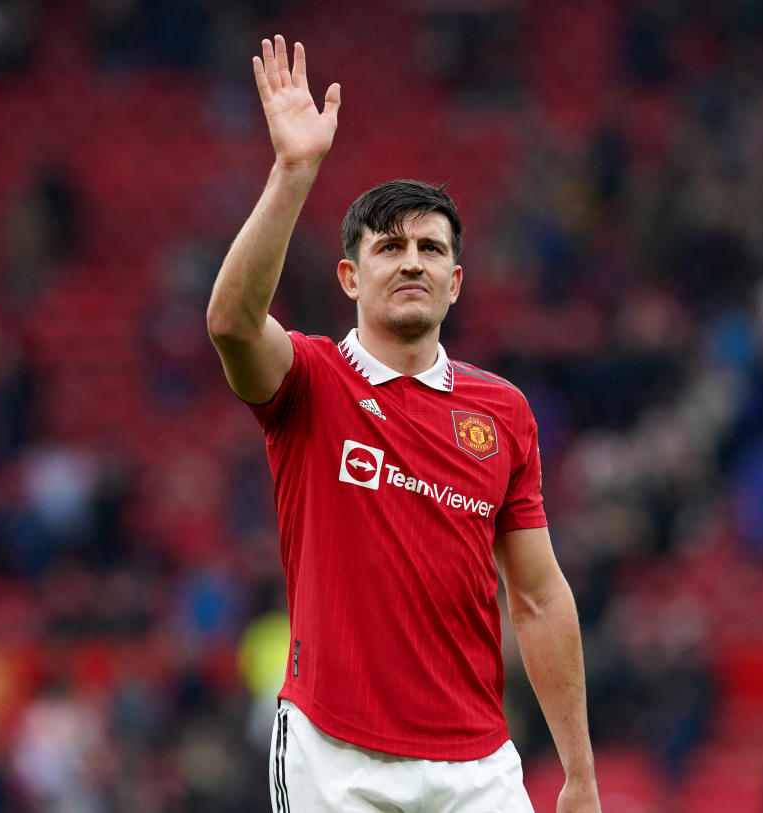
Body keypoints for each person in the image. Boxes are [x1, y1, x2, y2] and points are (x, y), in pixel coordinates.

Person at [206, 35, 600, 812]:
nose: (411, 261)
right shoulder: (312, 381)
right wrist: (294, 172)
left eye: (430, 248)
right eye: (390, 247)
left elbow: (541, 598)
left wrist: (580, 773)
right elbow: (230, 323)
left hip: (478, 766)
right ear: (352, 275)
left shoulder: (503, 412)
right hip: (335, 753)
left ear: (455, 282)